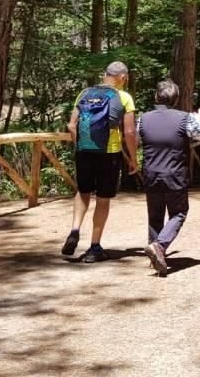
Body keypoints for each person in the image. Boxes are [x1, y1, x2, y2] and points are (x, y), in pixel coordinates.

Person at [62, 61, 138, 263]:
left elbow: (72, 126)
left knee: (83, 192)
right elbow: (130, 132)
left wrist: (80, 146)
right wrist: (133, 159)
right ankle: (94, 248)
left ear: (105, 74)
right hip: (109, 154)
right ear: (122, 77)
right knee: (103, 199)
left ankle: (74, 230)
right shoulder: (124, 97)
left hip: (84, 151)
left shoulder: (85, 93)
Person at [138, 78, 200, 276]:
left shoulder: (143, 119)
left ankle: (156, 255)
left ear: (156, 96)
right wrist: (198, 118)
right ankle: (159, 246)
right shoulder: (185, 118)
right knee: (179, 212)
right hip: (175, 173)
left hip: (150, 173)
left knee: (155, 215)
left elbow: (136, 138)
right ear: (176, 99)